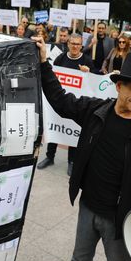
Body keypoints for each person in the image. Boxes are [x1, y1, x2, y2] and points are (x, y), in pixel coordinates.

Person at [34, 35, 131, 261]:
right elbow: (61, 102)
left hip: (121, 220)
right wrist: (43, 64)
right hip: (88, 206)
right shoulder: (95, 112)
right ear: (119, 87)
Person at [37, 34, 94, 175]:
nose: (75, 46)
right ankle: (50, 156)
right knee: (54, 128)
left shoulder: (87, 60)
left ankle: (71, 161)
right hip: (59, 100)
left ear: (82, 46)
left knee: (72, 131)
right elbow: (51, 73)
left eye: (78, 44)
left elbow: (94, 79)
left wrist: (89, 72)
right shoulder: (60, 58)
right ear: (68, 44)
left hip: (75, 104)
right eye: (72, 43)